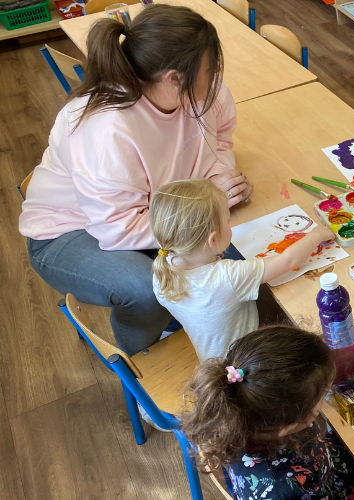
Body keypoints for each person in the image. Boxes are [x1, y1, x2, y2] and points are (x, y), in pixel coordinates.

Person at [19, 4, 253, 355]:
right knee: (145, 289)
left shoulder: (203, 89)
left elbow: (218, 140)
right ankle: (143, 362)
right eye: (209, 68)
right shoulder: (107, 128)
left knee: (238, 249)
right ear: (174, 77)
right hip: (70, 231)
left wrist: (220, 183)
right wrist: (201, 206)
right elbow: (117, 229)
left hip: (150, 209)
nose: (216, 74)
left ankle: (187, 320)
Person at [182, 325, 354, 500]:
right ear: (293, 423)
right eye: (321, 394)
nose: (328, 385)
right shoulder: (283, 488)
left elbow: (319, 372)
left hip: (332, 465)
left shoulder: (253, 397)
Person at [149, 179, 336, 361]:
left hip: (211, 362)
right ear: (212, 240)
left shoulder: (163, 268)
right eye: (228, 220)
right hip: (247, 362)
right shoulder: (227, 276)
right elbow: (288, 261)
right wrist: (316, 235)